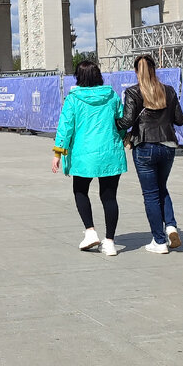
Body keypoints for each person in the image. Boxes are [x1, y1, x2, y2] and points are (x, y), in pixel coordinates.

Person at [52, 61, 127, 257]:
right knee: (109, 197)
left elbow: (66, 126)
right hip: (109, 151)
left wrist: (58, 152)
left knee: (80, 190)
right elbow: (121, 120)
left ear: (79, 77)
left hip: (83, 153)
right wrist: (120, 135)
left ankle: (90, 231)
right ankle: (110, 242)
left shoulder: (73, 99)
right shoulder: (111, 95)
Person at [119, 54, 183, 254]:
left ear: (135, 71)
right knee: (161, 187)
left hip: (144, 145)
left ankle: (159, 241)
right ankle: (171, 226)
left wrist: (113, 124)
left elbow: (127, 121)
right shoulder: (169, 91)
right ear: (155, 69)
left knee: (150, 194)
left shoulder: (133, 92)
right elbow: (180, 120)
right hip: (167, 145)